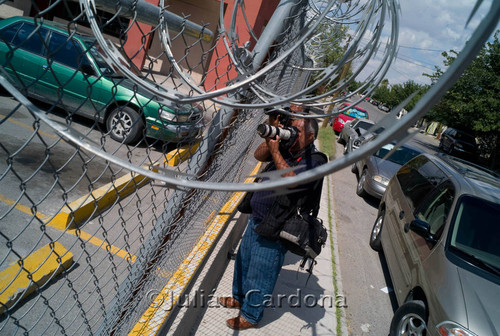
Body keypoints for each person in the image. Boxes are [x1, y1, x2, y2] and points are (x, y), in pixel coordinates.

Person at [219, 105, 327, 330]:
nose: (293, 134)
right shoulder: (287, 146)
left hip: (278, 224)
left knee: (262, 271)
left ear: (310, 136)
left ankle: (251, 314)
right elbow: (258, 155)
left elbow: (292, 180)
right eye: (292, 129)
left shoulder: (316, 160)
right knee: (244, 261)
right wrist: (273, 138)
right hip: (257, 216)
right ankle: (239, 297)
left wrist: (277, 151)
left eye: (297, 131)